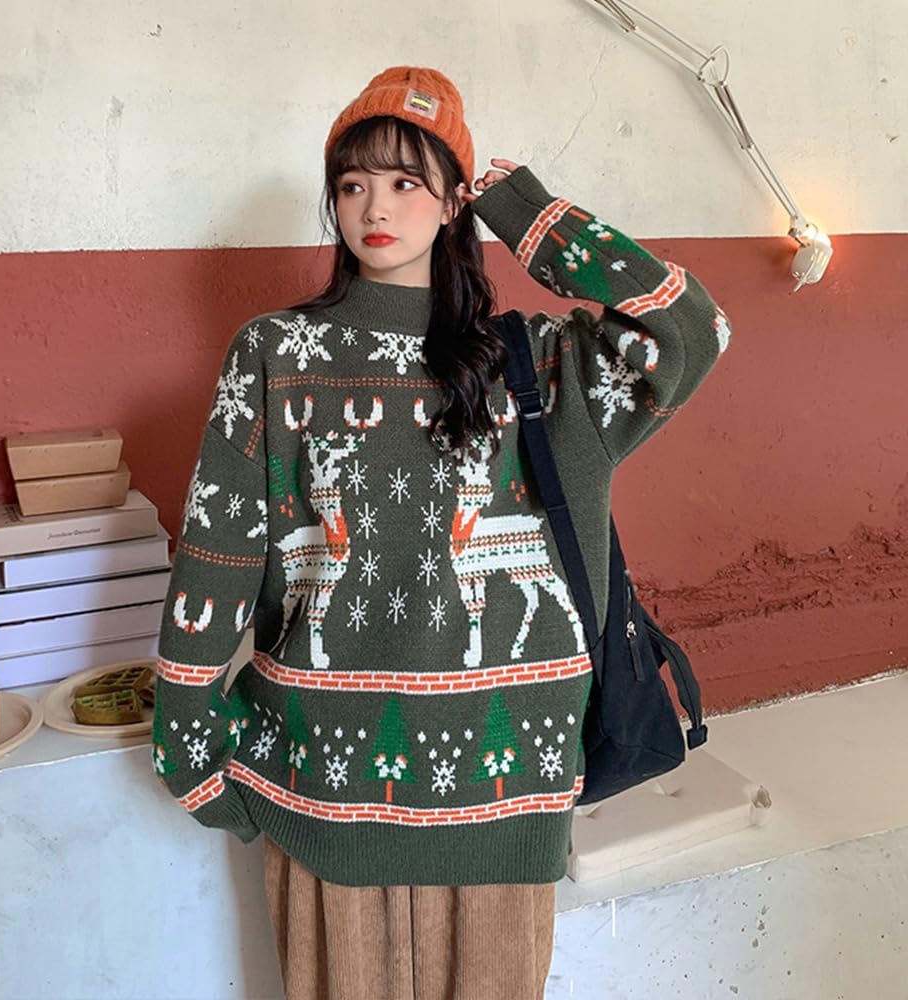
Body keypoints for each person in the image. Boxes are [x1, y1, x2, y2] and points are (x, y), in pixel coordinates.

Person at [152, 66, 730, 999]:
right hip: (323, 790)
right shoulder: (275, 353)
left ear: (456, 200)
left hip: (508, 793)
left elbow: (692, 332)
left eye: (406, 181)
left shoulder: (540, 365)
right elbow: (215, 553)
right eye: (352, 183)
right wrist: (189, 744)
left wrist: (525, 212)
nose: (375, 207)